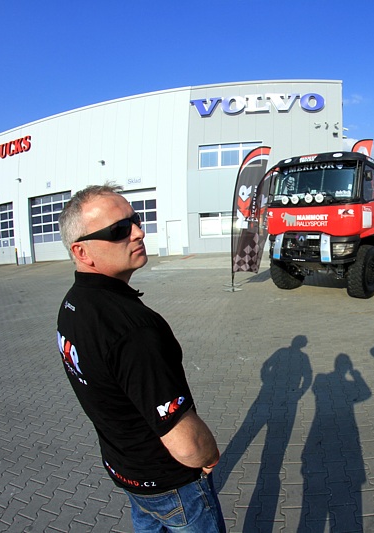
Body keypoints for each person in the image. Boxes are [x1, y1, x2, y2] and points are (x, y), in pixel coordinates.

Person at [56, 184, 225, 532]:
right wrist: (208, 455)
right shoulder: (133, 329)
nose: (138, 232)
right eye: (119, 230)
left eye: (135, 220)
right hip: (172, 484)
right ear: (82, 251)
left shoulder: (73, 305)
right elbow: (186, 443)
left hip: (127, 473)